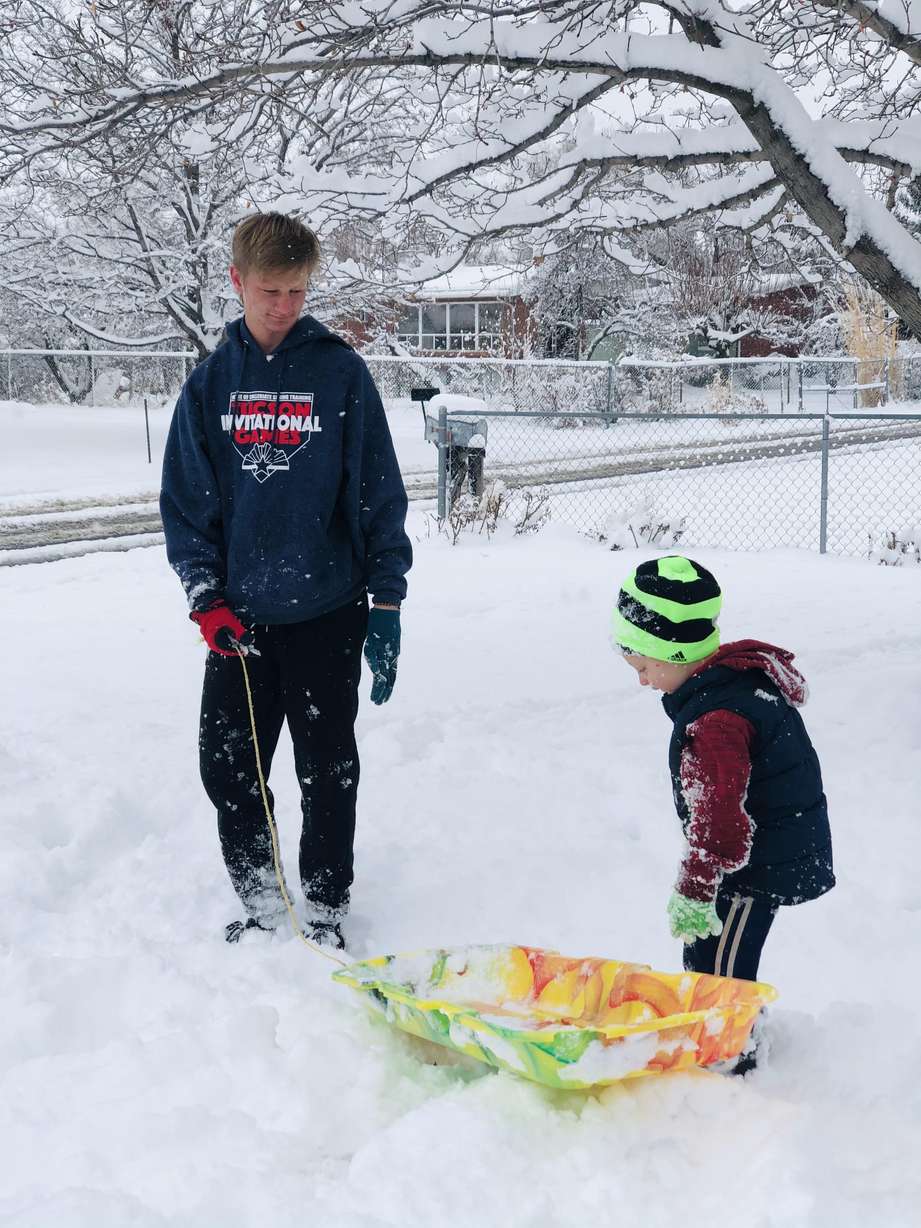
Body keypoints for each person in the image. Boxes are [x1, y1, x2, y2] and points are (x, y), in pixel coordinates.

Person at [160, 212, 412, 949]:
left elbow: (375, 494)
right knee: (228, 769)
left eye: (298, 292)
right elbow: (187, 504)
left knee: (327, 769)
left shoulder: (339, 373)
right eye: (270, 291)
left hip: (327, 611)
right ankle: (264, 901)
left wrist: (386, 602)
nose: (285, 307)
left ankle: (326, 906)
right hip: (238, 622)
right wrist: (205, 597)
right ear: (237, 282)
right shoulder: (211, 383)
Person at [611, 555, 834, 1069]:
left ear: (676, 652)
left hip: (756, 861)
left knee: (723, 972)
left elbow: (721, 821)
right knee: (708, 955)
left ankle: (732, 1058)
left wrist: (697, 881)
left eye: (644, 667)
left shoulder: (717, 721)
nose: (642, 681)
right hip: (758, 849)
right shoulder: (726, 685)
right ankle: (713, 1036)